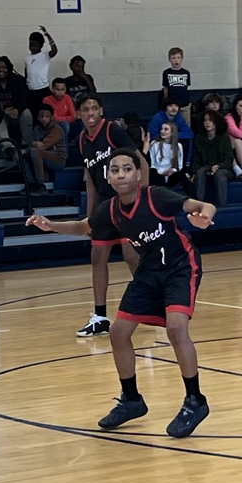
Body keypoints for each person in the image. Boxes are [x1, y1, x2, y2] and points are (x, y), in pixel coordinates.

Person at [26, 149, 217, 437]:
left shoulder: (157, 196)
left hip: (180, 267)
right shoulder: (111, 209)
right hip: (148, 273)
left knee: (177, 329)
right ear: (108, 177)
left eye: (127, 169)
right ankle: (131, 399)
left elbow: (204, 205)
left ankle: (195, 400)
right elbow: (82, 227)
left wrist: (204, 216)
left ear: (138, 174)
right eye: (115, 170)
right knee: (118, 333)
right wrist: (50, 225)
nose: (121, 174)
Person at [74, 93, 140, 336]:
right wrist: (90, 215)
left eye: (94, 108)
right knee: (97, 255)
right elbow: (90, 179)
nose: (90, 113)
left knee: (131, 255)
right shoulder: (82, 140)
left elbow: (139, 160)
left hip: (125, 199)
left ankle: (153, 301)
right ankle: (100, 318)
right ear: (79, 114)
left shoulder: (113, 131)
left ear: (100, 110)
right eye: (85, 110)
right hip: (104, 202)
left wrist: (141, 197)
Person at [0, 56, 33, 145]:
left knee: (27, 113)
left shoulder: (18, 80)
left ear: (9, 68)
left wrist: (17, 109)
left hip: (15, 112)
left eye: (4, 67)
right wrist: (2, 111)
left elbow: (25, 99)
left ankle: (26, 144)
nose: (1, 70)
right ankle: (8, 148)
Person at [191, 110, 234, 208]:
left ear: (216, 122)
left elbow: (228, 159)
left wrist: (219, 166)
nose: (207, 122)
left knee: (220, 174)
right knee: (200, 172)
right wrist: (194, 173)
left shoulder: (224, 138)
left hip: (223, 168)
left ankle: (222, 206)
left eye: (210, 120)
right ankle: (199, 205)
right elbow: (196, 160)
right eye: (205, 120)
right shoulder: (199, 139)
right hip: (206, 168)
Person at [28, 104, 67, 192]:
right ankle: (30, 183)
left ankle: (40, 184)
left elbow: (42, 146)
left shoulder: (57, 129)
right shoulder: (37, 128)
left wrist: (32, 144)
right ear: (38, 117)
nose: (44, 119)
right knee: (22, 155)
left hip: (58, 158)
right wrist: (32, 145)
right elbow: (31, 142)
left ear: (52, 117)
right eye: (42, 116)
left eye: (47, 116)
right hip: (45, 156)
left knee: (35, 152)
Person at [149, 122, 194, 196]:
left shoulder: (178, 146)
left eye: (166, 129)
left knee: (182, 175)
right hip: (159, 173)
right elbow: (153, 164)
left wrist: (172, 170)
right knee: (153, 173)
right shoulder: (154, 144)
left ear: (172, 133)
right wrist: (162, 172)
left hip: (171, 175)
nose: (162, 131)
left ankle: (194, 199)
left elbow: (179, 166)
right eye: (162, 129)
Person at [24, 24, 58, 103]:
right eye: (30, 44)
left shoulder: (45, 55)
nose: (32, 47)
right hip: (31, 90)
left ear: (41, 45)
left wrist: (47, 35)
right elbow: (26, 72)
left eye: (35, 45)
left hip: (43, 89)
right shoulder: (27, 57)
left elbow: (54, 50)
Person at [162, 46, 192, 124]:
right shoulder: (166, 72)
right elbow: (166, 87)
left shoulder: (186, 72)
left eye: (178, 57)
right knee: (172, 125)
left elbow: (186, 87)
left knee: (186, 125)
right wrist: (166, 100)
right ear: (169, 60)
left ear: (182, 59)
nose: (176, 60)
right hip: (172, 105)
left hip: (184, 104)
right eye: (173, 58)